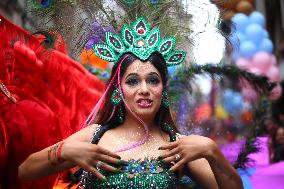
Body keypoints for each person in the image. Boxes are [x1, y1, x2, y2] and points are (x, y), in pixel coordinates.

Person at [19, 17, 243, 189]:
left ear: (163, 89)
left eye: (153, 80)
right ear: (119, 89)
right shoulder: (94, 136)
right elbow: (25, 171)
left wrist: (211, 150)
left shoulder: (177, 147)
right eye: (133, 81)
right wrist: (64, 151)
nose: (144, 89)